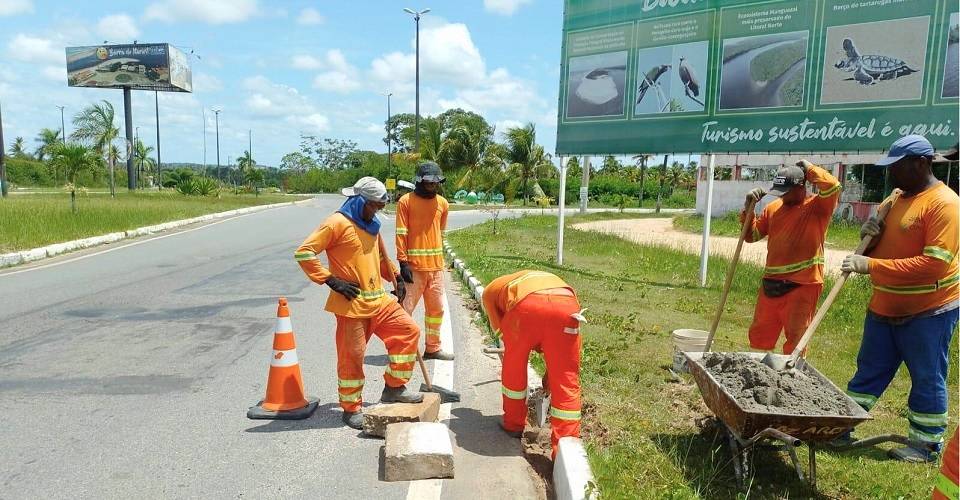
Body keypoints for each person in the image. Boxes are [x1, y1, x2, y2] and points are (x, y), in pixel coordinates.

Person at [838, 135, 959, 463]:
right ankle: (842, 425)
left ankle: (925, 445)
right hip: (884, 306)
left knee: (926, 375)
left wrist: (869, 264)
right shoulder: (894, 199)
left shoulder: (944, 204)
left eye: (898, 167)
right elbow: (883, 244)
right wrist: (870, 236)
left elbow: (934, 264)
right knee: (869, 371)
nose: (892, 174)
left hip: (928, 312)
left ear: (921, 164)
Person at [294, 177, 423, 430]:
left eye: (380, 206)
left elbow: (378, 258)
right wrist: (331, 280)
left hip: (379, 301)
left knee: (409, 331)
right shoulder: (336, 223)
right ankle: (351, 407)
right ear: (360, 200)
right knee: (352, 356)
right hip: (351, 304)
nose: (377, 210)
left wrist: (395, 277)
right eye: (374, 205)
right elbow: (304, 252)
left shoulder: (371, 224)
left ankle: (394, 387)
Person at [740, 159, 841, 354]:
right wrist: (749, 208)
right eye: (780, 191)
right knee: (760, 335)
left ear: (801, 186)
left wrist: (810, 168)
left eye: (787, 190)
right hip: (771, 283)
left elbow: (833, 186)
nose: (783, 196)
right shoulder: (773, 209)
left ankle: (791, 375)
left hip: (803, 284)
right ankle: (756, 373)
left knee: (796, 339)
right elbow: (751, 237)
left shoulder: (818, 207)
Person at [482, 270, 586, 458]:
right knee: (566, 377)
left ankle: (513, 424)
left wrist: (516, 346)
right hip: (567, 306)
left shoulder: (490, 292)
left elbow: (501, 332)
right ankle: (565, 445)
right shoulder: (540, 279)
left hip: (526, 306)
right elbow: (567, 357)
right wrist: (551, 374)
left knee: (514, 367)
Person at [396, 162, 454, 360]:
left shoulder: (443, 204)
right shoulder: (405, 202)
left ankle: (433, 348)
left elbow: (440, 233)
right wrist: (403, 262)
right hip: (413, 268)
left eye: (435, 183)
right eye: (429, 182)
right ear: (419, 181)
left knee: (436, 310)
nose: (433, 186)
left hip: (436, 269)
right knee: (405, 311)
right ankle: (402, 349)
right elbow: (401, 234)